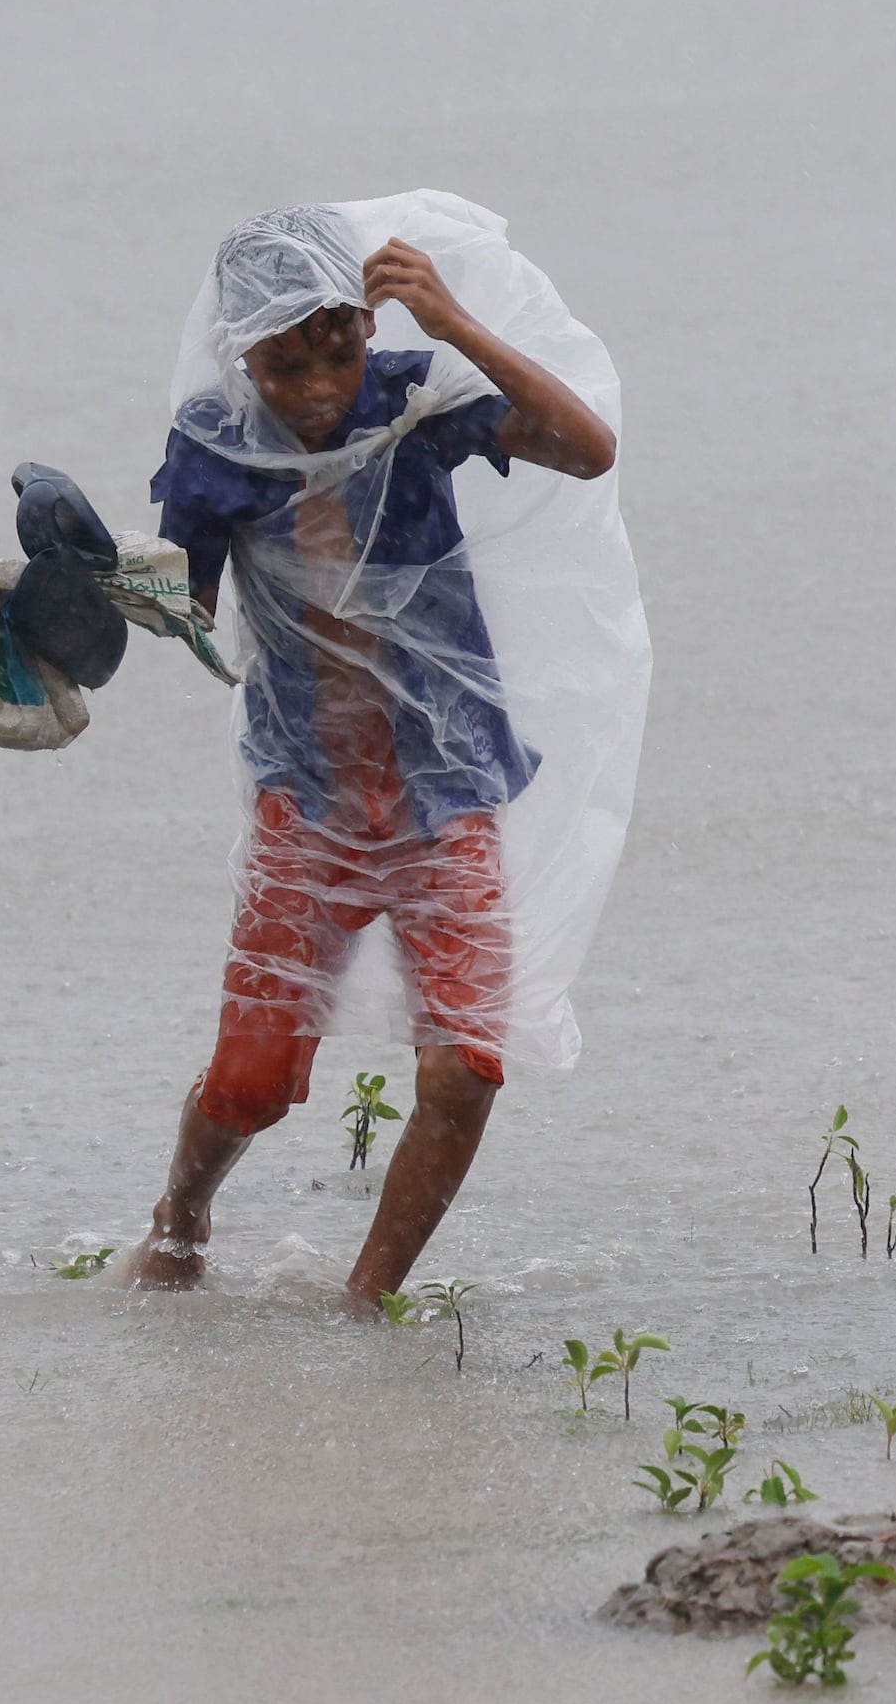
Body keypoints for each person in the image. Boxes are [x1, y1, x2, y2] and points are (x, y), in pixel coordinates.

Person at [121, 206, 619, 1303]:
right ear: (240, 353)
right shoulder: (215, 445)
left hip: (443, 795)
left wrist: (451, 321)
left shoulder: (410, 404)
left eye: (338, 345)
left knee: (462, 1066)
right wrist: (81, 595)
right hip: (308, 798)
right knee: (250, 1078)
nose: (316, 387)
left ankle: (365, 1300)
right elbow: (185, 608)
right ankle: (181, 1217)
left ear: (367, 322)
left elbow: (586, 449)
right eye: (283, 361)